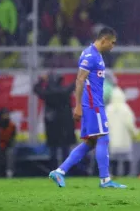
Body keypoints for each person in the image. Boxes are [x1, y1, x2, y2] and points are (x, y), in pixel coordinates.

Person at [48, 27, 126, 188]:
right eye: (112, 43)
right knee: (103, 138)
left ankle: (59, 171)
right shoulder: (90, 55)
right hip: (93, 105)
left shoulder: (96, 55)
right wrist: (78, 106)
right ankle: (105, 180)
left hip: (93, 104)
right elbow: (79, 80)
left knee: (90, 143)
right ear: (104, 39)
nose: (113, 46)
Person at [33, 72, 76, 169]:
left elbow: (36, 89)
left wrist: (41, 80)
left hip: (52, 124)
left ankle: (53, 170)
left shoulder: (47, 93)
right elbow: (75, 84)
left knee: (53, 151)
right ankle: (65, 170)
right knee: (65, 150)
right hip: (65, 124)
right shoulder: (65, 91)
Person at [105, 86, 138, 176]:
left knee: (113, 157)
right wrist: (135, 133)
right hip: (125, 139)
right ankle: (126, 174)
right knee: (126, 157)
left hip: (112, 140)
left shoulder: (108, 109)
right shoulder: (126, 109)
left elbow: (105, 124)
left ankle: (114, 174)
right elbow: (130, 124)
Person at [0, 108, 16, 178]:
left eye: (7, 114)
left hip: (7, 145)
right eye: (5, 114)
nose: (7, 116)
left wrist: (7, 145)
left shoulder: (12, 126)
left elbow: (12, 138)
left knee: (10, 153)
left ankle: (9, 172)